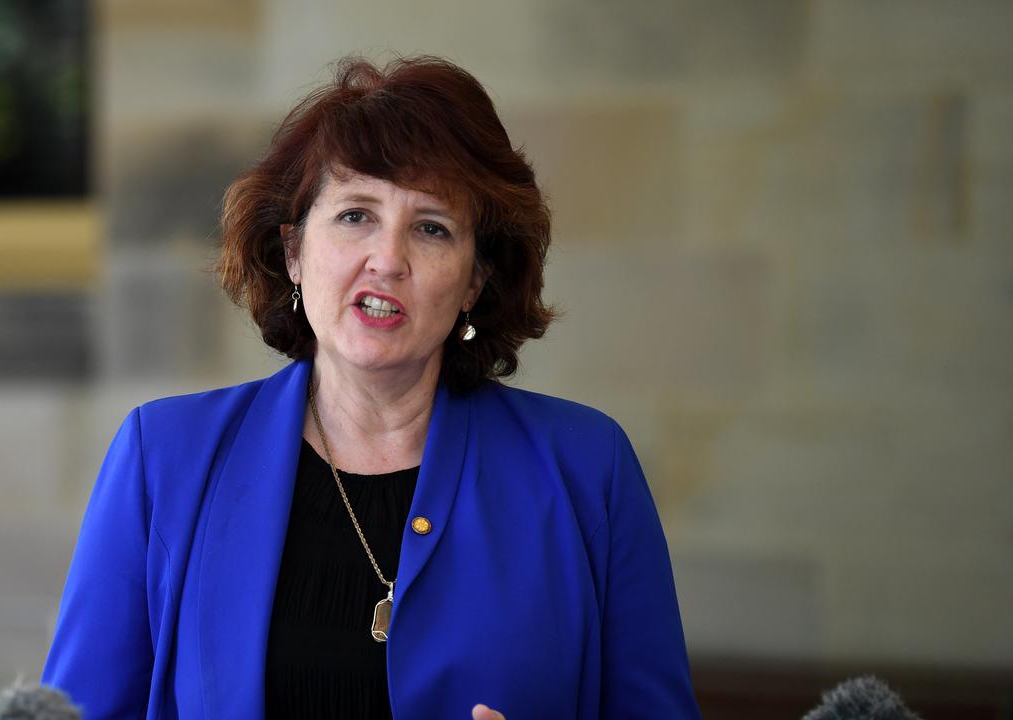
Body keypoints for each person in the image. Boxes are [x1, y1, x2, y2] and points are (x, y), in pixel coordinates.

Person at [42, 55, 701, 720]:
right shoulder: (165, 459)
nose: (388, 259)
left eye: (431, 228)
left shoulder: (589, 469)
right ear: (294, 251)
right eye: (356, 215)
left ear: (475, 281)